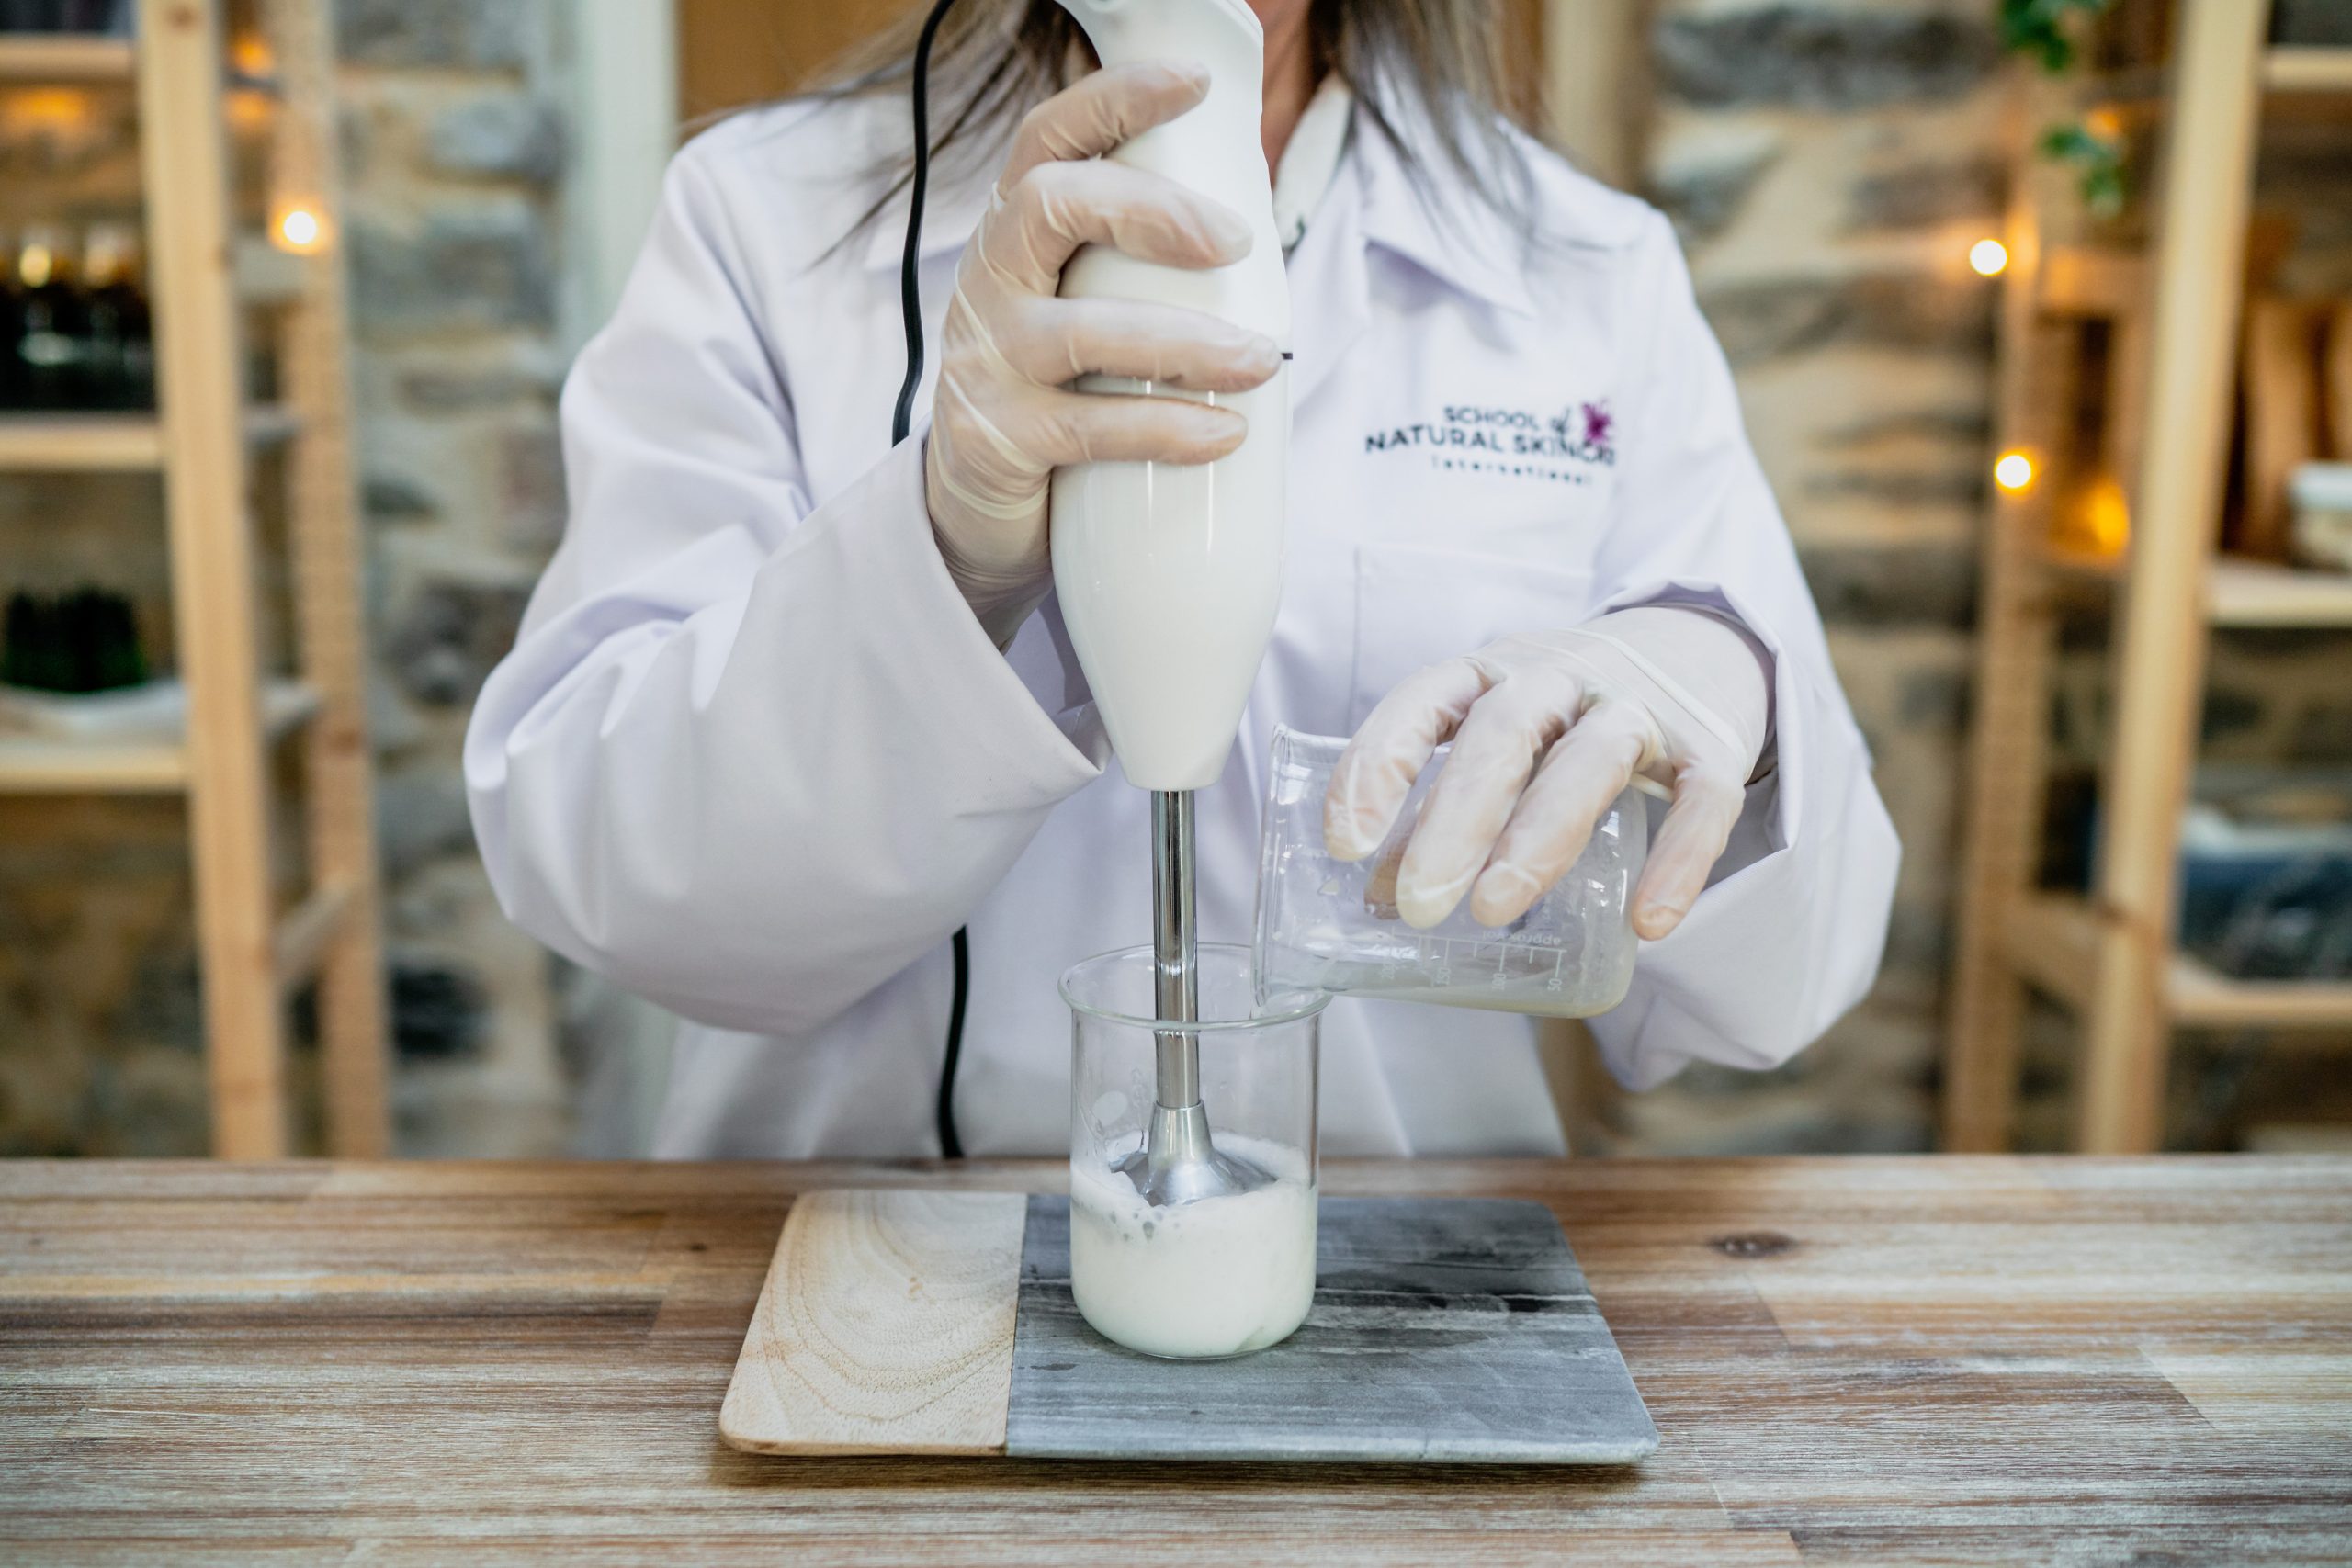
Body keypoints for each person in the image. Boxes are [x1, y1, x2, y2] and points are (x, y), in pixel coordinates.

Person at [465, 0, 1899, 1159]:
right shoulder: (761, 223)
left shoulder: (1589, 272)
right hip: (862, 1288)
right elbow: (611, 868)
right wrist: (942, 557)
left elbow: (1786, 983)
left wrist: (1718, 695)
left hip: (1400, 1304)